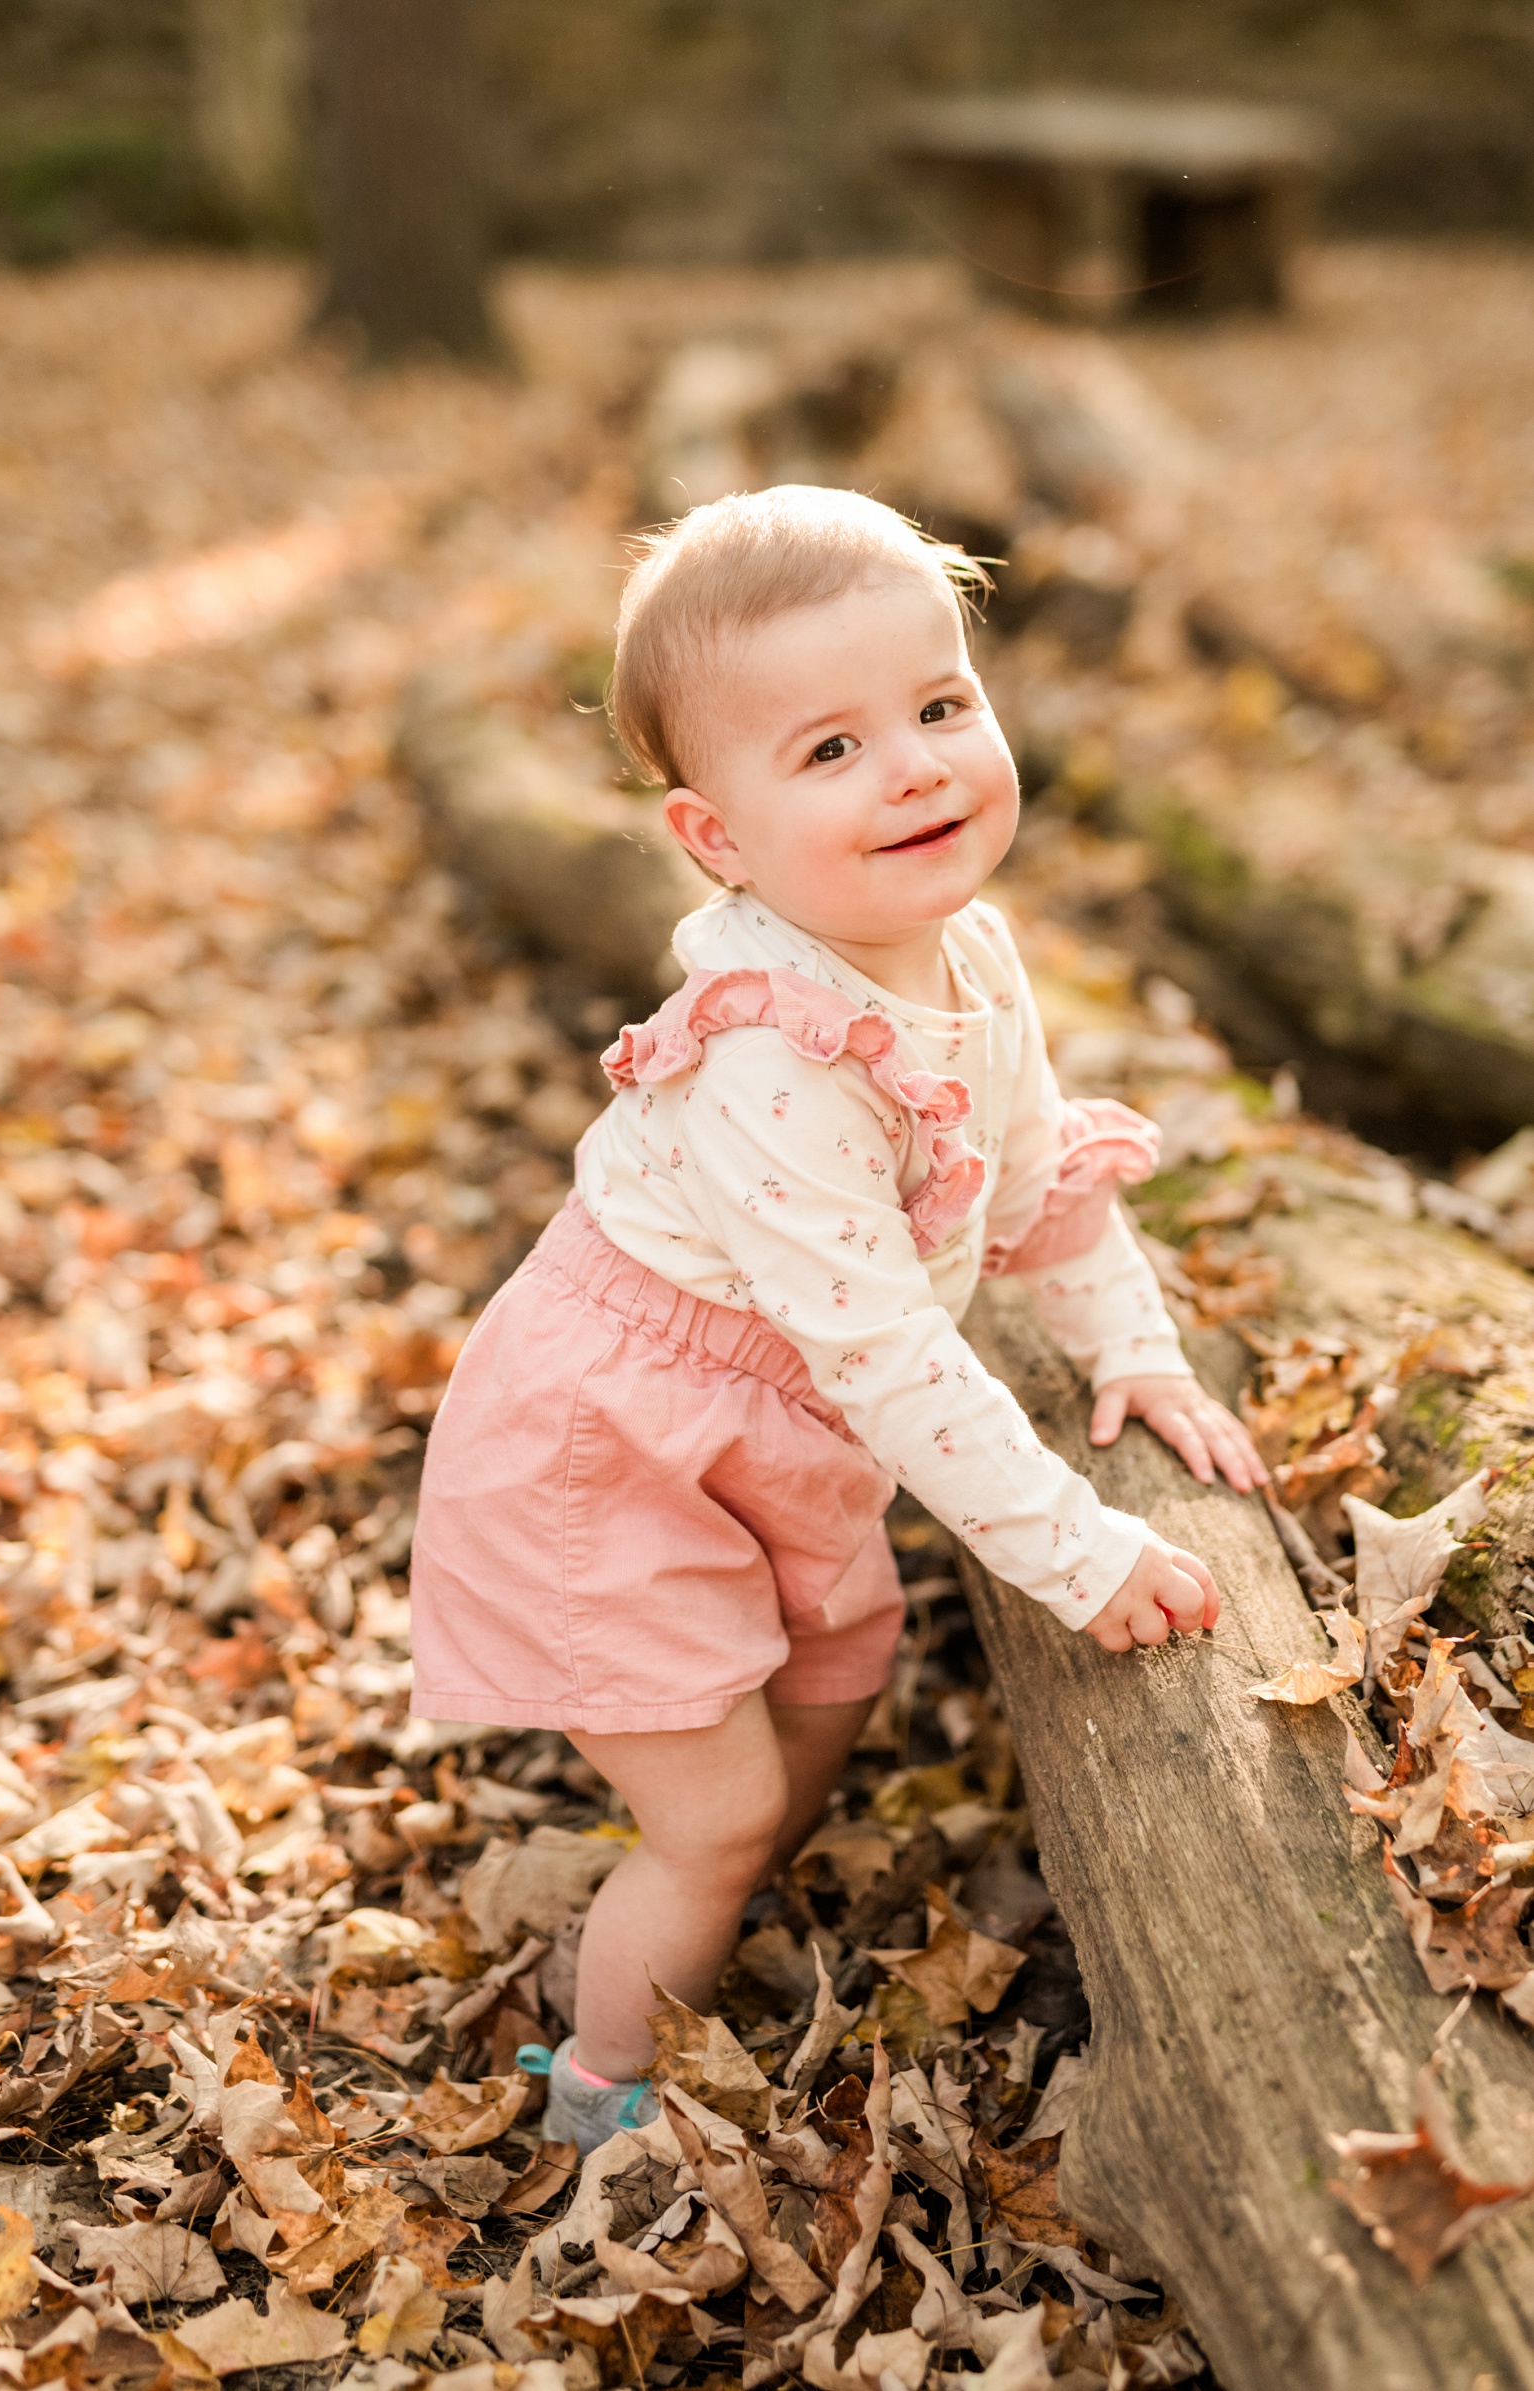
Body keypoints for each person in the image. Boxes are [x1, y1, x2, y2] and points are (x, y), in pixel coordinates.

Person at [410, 486, 1266, 2151]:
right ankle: (601, 2090)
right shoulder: (770, 1061)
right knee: (718, 1812)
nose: (916, 769)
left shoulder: (972, 951)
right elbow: (885, 1351)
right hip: (613, 1441)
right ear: (716, 837)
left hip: (773, 1418)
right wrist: (1075, 1552)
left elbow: (1038, 1179)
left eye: (939, 707)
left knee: (827, 1690)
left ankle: (728, 1882)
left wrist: (1135, 1352)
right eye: (829, 750)